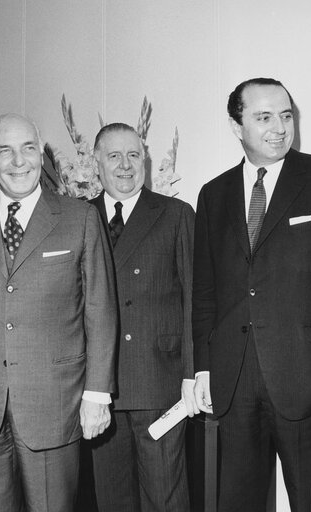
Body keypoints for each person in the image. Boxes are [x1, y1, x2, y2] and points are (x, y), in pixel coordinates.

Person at [192, 77, 311, 511]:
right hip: (233, 383)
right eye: (263, 117)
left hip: (310, 378)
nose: (279, 127)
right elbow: (204, 294)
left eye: (286, 115)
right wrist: (201, 368)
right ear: (237, 126)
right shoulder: (213, 194)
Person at [0, 113, 118, 512]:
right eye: (5, 150)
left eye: (29, 148)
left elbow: (100, 312)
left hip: (55, 400)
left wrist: (97, 394)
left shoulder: (80, 217)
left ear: (43, 154)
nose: (19, 161)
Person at [89, 123, 197, 512]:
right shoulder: (78, 218)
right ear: (96, 163)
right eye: (114, 156)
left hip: (160, 382)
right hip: (100, 388)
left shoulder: (175, 214)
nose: (125, 165)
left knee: (164, 495)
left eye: (134, 155)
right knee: (112, 496)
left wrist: (191, 374)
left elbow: (193, 301)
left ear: (146, 161)